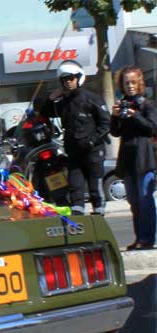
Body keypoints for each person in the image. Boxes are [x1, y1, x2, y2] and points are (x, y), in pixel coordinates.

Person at [41, 60, 110, 215]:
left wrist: (93, 140)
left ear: (79, 78)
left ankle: (99, 214)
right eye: (65, 79)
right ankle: (78, 217)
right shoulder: (64, 103)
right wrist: (51, 98)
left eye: (71, 78)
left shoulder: (92, 98)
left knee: (95, 186)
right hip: (73, 153)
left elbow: (106, 123)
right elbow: (45, 112)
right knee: (75, 186)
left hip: (93, 152)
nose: (68, 82)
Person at [110, 65, 157, 250]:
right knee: (134, 202)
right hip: (128, 158)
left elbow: (152, 128)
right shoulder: (122, 104)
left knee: (145, 200)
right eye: (126, 82)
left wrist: (135, 115)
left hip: (144, 158)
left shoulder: (147, 104)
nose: (129, 86)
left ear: (139, 84)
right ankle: (139, 238)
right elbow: (115, 132)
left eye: (133, 82)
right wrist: (115, 116)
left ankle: (147, 238)